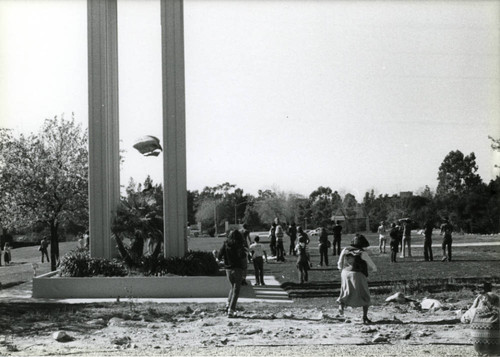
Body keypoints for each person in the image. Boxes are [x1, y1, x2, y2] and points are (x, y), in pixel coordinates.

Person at [337, 234, 377, 324]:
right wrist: (374, 269)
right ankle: (365, 317)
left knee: (345, 291)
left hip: (345, 272)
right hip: (357, 274)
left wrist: (340, 269)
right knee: (364, 293)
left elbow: (339, 262)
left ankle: (341, 305)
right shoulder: (362, 252)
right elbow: (371, 264)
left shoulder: (345, 250)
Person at [217, 229, 247, 317]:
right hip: (237, 268)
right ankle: (231, 309)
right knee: (236, 290)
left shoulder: (225, 244)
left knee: (232, 287)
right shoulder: (239, 245)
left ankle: (228, 304)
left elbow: (219, 256)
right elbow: (242, 257)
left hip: (228, 269)